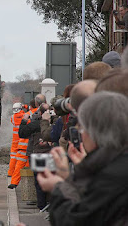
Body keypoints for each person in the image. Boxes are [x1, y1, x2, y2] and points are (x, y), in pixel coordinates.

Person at [37, 91, 128, 225]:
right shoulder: (114, 163)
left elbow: (76, 220)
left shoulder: (111, 174)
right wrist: (81, 169)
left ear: (94, 131)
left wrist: (58, 188)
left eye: (81, 129)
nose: (81, 135)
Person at [7, 103, 24, 177]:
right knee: (22, 156)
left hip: (15, 140)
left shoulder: (12, 117)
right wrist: (25, 106)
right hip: (22, 140)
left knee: (13, 157)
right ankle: (19, 173)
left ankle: (10, 173)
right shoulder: (24, 115)